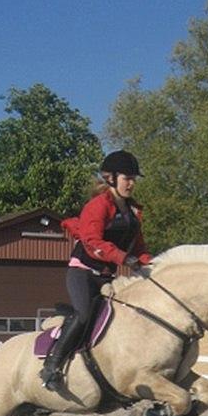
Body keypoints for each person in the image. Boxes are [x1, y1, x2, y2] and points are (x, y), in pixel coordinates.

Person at [40, 150, 153, 391]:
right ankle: (52, 365)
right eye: (127, 178)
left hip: (106, 277)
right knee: (83, 314)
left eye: (134, 179)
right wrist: (124, 258)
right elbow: (93, 242)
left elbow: (140, 248)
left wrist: (153, 266)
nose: (132, 183)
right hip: (83, 271)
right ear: (111, 178)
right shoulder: (98, 205)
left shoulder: (133, 212)